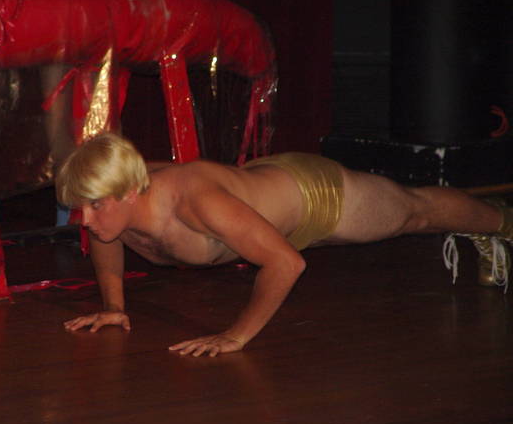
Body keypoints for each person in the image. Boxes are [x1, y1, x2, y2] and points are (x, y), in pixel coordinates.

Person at [56, 132, 513, 357]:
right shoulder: (117, 208)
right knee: (414, 214)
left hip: (315, 195)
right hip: (261, 199)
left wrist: (236, 335)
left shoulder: (195, 203)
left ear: (130, 193)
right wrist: (114, 306)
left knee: (415, 213)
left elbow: (286, 263)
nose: (87, 221)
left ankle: (503, 222)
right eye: (81, 208)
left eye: (94, 207)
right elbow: (107, 238)